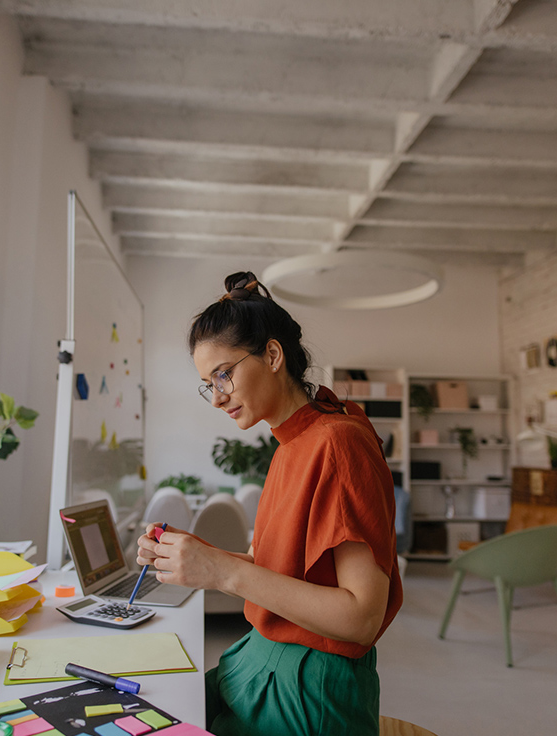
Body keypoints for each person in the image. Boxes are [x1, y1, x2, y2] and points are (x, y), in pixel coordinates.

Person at [136, 271, 403, 736]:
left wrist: (221, 571)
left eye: (224, 374)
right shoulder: (292, 443)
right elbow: (280, 571)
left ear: (273, 355)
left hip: (309, 687)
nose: (217, 397)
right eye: (207, 383)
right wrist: (201, 557)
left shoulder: (337, 442)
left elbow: (361, 616)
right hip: (263, 657)